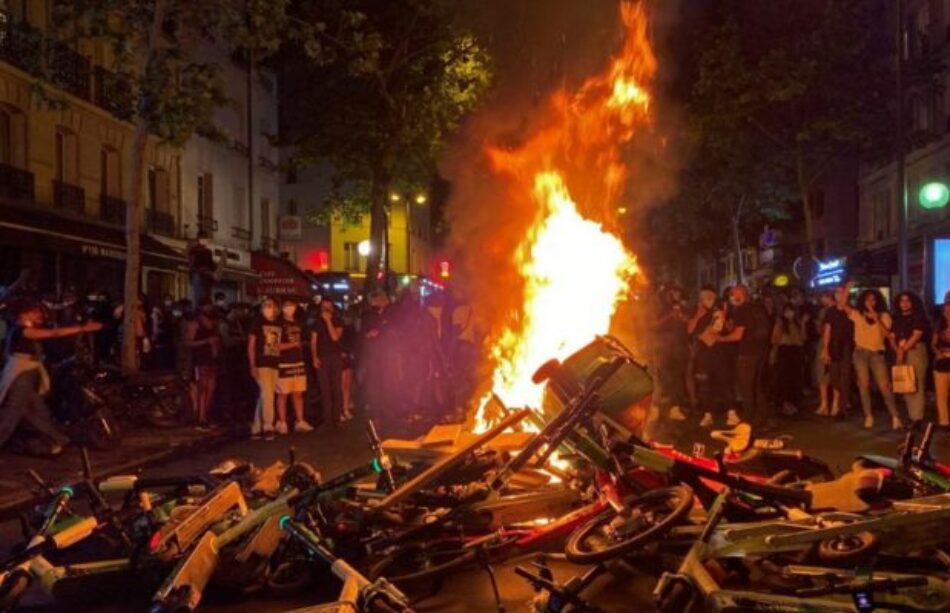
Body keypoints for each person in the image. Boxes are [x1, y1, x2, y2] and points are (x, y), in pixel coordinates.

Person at [0, 302, 100, 452]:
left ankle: (59, 438)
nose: (38, 315)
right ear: (23, 314)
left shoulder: (22, 330)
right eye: (34, 312)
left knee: (37, 411)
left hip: (27, 374)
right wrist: (83, 328)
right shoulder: (23, 331)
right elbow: (54, 333)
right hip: (21, 375)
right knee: (13, 412)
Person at [839, 286, 902, 430]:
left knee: (884, 386)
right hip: (860, 353)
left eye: (873, 299)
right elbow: (843, 306)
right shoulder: (858, 314)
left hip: (877, 353)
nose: (870, 302)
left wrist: (875, 315)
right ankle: (868, 415)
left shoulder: (884, 316)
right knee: (863, 384)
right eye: (867, 299)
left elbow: (887, 334)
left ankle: (895, 416)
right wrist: (847, 289)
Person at [719, 285, 772, 428]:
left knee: (746, 388)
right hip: (761, 353)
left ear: (740, 294)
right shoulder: (758, 308)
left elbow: (737, 335)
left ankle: (748, 421)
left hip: (747, 354)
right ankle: (763, 419)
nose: (731, 297)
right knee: (757, 387)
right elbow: (738, 328)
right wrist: (725, 318)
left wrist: (719, 339)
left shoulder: (742, 310)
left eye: (733, 294)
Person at [689, 286, 732, 428]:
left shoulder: (718, 312)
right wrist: (697, 316)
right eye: (702, 297)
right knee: (705, 386)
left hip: (719, 354)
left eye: (708, 296)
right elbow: (689, 329)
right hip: (703, 356)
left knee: (723, 384)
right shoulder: (698, 313)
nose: (705, 300)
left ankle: (731, 413)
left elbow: (714, 335)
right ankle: (708, 415)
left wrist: (703, 335)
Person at [890, 291, 930, 428]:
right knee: (905, 384)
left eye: (907, 301)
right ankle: (912, 416)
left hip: (915, 351)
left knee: (916, 384)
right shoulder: (896, 318)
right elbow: (892, 336)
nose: (904, 304)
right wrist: (897, 349)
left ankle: (917, 419)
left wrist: (903, 349)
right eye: (902, 301)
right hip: (901, 352)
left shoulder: (919, 317)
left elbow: (917, 335)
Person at [275, 298, 313, 434]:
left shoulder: (298, 324)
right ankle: (282, 422)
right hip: (283, 363)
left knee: (298, 393)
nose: (289, 308)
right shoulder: (277, 324)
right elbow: (274, 346)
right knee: (283, 394)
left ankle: (300, 420)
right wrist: (293, 345)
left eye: (291, 305)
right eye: (286, 305)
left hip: (298, 362)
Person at [654, 285, 689, 422]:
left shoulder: (682, 308)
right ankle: (655, 409)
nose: (677, 295)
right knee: (660, 379)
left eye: (678, 292)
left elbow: (688, 325)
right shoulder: (660, 308)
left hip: (679, 347)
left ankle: (675, 408)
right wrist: (670, 316)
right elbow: (654, 326)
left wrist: (682, 317)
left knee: (677, 378)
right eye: (674, 292)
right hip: (663, 347)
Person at [248, 298, 281, 439]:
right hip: (262, 364)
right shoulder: (257, 323)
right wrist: (252, 365)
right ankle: (268, 426)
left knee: (265, 395)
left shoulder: (278, 324)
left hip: (274, 362)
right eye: (265, 305)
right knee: (268, 395)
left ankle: (256, 427)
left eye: (271, 305)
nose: (268, 308)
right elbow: (251, 345)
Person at [310, 299, 345, 427]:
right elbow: (313, 341)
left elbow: (335, 337)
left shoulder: (337, 321)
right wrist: (314, 357)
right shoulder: (316, 323)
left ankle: (337, 417)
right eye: (324, 307)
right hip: (322, 358)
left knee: (336, 387)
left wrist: (328, 321)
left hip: (335, 357)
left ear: (333, 308)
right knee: (324, 389)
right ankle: (327, 419)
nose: (326, 309)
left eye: (328, 307)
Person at [187, 299, 220, 430]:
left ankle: (207, 415)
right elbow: (188, 342)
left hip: (213, 359)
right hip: (201, 359)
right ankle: (201, 418)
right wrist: (206, 341)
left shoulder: (214, 323)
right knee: (203, 389)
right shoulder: (195, 324)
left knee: (211, 388)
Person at [771, 302, 807, 416]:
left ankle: (793, 403)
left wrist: (803, 324)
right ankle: (785, 404)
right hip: (785, 351)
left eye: (791, 310)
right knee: (784, 379)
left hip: (795, 352)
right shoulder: (780, 322)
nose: (789, 313)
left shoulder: (797, 323)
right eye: (787, 311)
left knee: (794, 379)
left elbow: (803, 338)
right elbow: (775, 339)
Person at [813, 292, 836, 415]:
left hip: (836, 344)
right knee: (822, 373)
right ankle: (825, 403)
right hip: (824, 342)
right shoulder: (823, 311)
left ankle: (834, 403)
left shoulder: (838, 310)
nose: (822, 299)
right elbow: (820, 329)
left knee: (835, 374)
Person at [932, 294, 950, 429]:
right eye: (946, 307)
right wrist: (938, 353)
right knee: (941, 395)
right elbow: (933, 344)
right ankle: (944, 423)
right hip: (941, 364)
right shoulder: (939, 325)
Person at [188, 233, 217, 305]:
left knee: (206, 294)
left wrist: (213, 272)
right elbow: (191, 264)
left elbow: (211, 264)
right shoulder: (194, 251)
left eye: (206, 239)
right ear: (199, 240)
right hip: (198, 274)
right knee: (199, 295)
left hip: (206, 275)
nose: (205, 241)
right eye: (203, 239)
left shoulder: (208, 251)